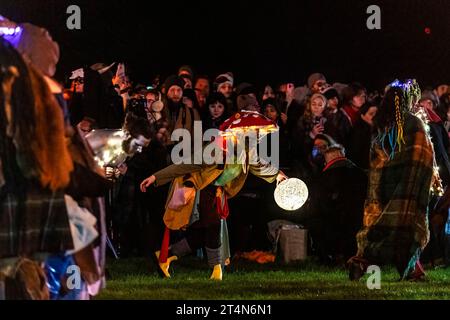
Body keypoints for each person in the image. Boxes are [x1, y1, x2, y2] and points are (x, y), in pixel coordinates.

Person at [347, 80, 440, 281]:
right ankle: (412, 271)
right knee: (406, 227)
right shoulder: (413, 123)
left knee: (380, 226)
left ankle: (362, 262)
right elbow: (421, 154)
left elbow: (375, 157)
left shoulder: (381, 123)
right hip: (405, 186)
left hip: (381, 186)